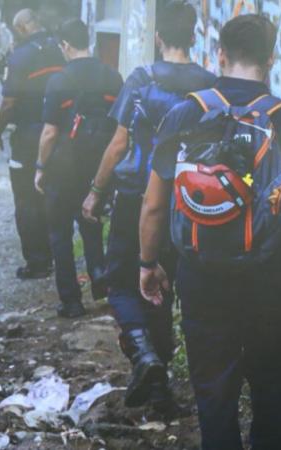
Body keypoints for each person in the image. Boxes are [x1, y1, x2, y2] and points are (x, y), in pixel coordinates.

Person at [139, 14, 281, 450]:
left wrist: (147, 263)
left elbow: (154, 203)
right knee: (271, 381)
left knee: (213, 389)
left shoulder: (185, 112)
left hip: (200, 274)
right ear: (271, 59)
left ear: (220, 55)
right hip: (266, 276)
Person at [81, 1, 215, 412]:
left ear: (159, 37)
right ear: (194, 35)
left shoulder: (141, 80)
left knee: (122, 282)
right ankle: (160, 391)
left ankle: (143, 353)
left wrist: (95, 190)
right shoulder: (209, 86)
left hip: (135, 197)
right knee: (161, 288)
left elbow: (119, 143)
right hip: (186, 203)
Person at [35, 19, 123, 318]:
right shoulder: (113, 77)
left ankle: (71, 301)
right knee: (92, 220)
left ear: (65, 45)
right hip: (100, 165)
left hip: (64, 167)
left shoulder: (59, 80)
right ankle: (100, 278)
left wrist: (40, 167)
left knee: (60, 233)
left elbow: (49, 133)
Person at [0, 9, 64, 280]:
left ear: (20, 29)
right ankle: (57, 256)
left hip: (29, 136)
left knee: (25, 198)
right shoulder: (59, 48)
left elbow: (9, 103)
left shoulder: (20, 57)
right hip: (59, 134)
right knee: (51, 194)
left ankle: (37, 262)